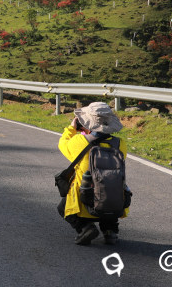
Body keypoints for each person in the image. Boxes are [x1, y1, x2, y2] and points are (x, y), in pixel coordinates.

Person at [57, 101, 128, 245]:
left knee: (63, 207)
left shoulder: (79, 141)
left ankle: (85, 228)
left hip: (85, 199)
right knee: (109, 198)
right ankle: (110, 231)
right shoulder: (120, 144)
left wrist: (71, 129)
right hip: (112, 200)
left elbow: (63, 144)